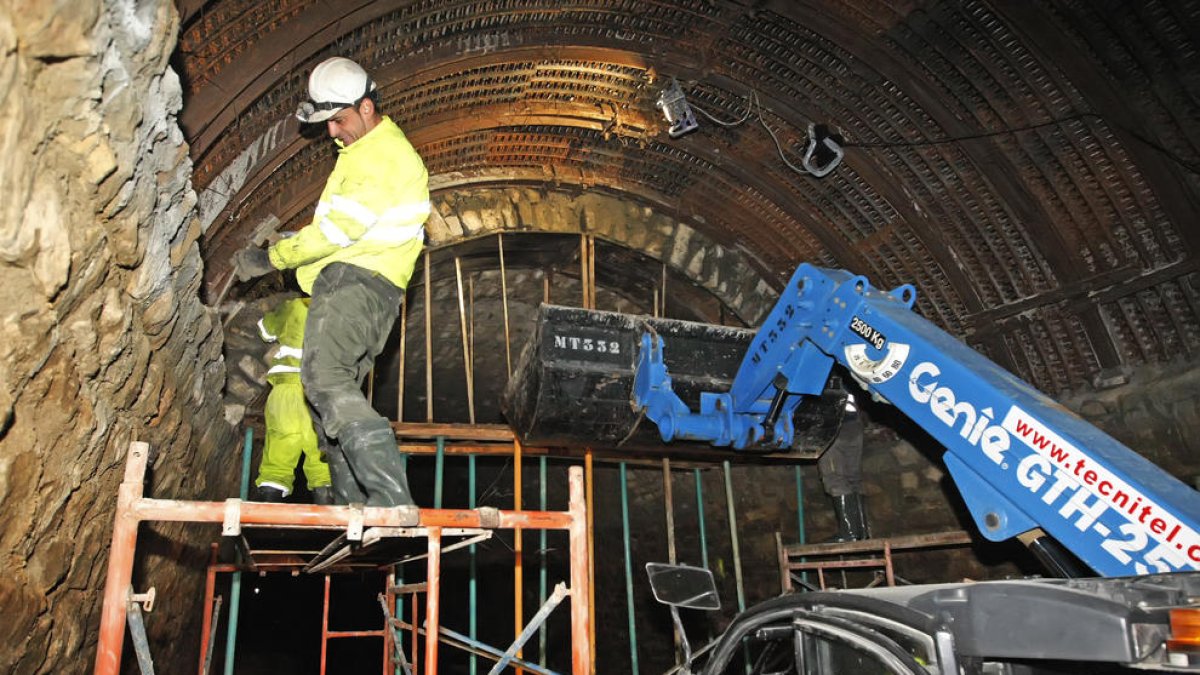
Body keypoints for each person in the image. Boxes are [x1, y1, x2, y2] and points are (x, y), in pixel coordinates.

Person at [233, 56, 429, 506]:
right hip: (368, 286)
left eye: (339, 120)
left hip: (355, 283)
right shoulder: (366, 155)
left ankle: (390, 498)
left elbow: (338, 232)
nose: (333, 132)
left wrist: (272, 257)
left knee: (322, 381)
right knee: (325, 401)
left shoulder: (380, 156)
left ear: (365, 107)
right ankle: (352, 504)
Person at [252, 297, 334, 505]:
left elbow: (265, 330)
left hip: (285, 391)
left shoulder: (293, 306)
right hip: (319, 395)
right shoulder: (340, 310)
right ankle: (327, 519)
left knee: (278, 453)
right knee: (320, 456)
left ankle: (268, 515)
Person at [817, 387, 870, 542]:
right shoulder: (843, 369)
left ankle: (849, 533)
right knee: (853, 478)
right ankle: (862, 532)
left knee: (834, 478)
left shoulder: (819, 369)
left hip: (832, 427)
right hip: (854, 424)